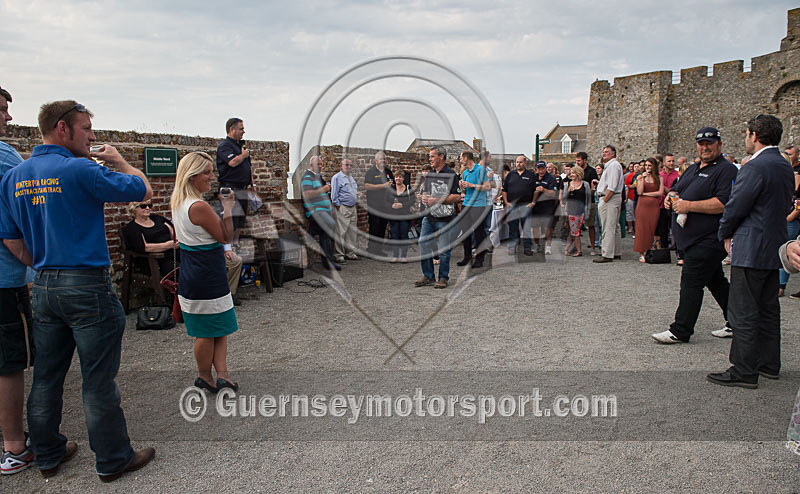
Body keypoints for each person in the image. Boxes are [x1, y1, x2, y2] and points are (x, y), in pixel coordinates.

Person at [0, 100, 155, 481]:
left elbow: (10, 238)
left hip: (44, 284)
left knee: (48, 376)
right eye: (85, 127)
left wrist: (42, 266)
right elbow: (142, 189)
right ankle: (113, 458)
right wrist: (118, 160)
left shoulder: (13, 176)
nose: (92, 135)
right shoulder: (81, 169)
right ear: (62, 129)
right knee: (97, 379)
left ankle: (48, 454)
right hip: (86, 283)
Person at [708, 114, 793, 388]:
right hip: (773, 244)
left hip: (751, 244)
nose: (746, 138)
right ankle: (769, 363)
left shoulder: (755, 166)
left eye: (747, 133)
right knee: (768, 307)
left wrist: (724, 232)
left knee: (743, 309)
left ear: (754, 135)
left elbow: (736, 205)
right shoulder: (783, 164)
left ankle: (744, 369)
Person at [652, 127, 738, 344]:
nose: (705, 147)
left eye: (709, 143)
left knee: (691, 282)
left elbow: (723, 202)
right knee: (716, 281)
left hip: (709, 238)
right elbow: (676, 188)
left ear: (719, 144)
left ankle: (681, 330)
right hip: (690, 239)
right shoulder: (693, 168)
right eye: (701, 144)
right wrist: (672, 197)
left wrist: (688, 205)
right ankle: (737, 323)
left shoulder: (726, 170)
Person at [171, 152, 239, 395]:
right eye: (207, 172)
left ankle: (222, 375)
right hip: (206, 273)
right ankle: (205, 375)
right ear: (192, 176)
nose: (212, 177)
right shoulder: (198, 206)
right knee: (206, 331)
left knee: (219, 326)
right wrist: (228, 209)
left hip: (196, 270)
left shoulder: (178, 203)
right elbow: (225, 237)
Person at [0, 85, 36, 475]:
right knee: (9, 362)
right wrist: (38, 262)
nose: (8, 117)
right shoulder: (5, 158)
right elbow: (15, 224)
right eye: (1, 110)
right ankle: (15, 446)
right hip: (4, 280)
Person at [416, 147, 460, 289]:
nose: (430, 159)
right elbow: (426, 192)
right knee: (423, 243)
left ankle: (443, 278)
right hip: (429, 217)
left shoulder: (451, 174)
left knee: (444, 250)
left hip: (445, 218)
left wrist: (437, 200)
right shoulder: (429, 175)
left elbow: (457, 196)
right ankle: (428, 276)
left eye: (432, 156)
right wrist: (424, 197)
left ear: (441, 157)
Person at [216, 118, 254, 249]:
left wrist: (252, 184)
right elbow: (232, 162)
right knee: (231, 218)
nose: (244, 131)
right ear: (232, 129)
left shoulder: (240, 146)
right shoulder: (224, 146)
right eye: (241, 128)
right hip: (230, 188)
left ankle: (236, 243)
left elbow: (248, 166)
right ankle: (229, 247)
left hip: (243, 188)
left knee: (240, 219)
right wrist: (243, 155)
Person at [302, 156, 339, 271]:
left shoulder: (317, 177)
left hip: (324, 211)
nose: (320, 166)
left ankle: (328, 263)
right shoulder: (307, 177)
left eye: (321, 164)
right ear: (311, 165)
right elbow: (307, 195)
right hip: (316, 211)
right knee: (330, 226)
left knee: (325, 234)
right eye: (318, 164)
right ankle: (311, 233)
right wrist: (324, 189)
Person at [121, 202, 178, 275]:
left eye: (149, 205)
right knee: (180, 269)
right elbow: (145, 247)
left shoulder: (157, 218)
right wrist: (168, 245)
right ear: (134, 209)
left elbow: (173, 231)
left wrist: (177, 241)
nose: (147, 208)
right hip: (155, 260)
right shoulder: (132, 228)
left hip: (174, 253)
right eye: (143, 206)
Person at [456, 151, 491, 268]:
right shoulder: (465, 172)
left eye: (461, 158)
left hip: (478, 205)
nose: (460, 160)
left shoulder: (480, 170)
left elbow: (487, 187)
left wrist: (472, 185)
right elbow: (464, 192)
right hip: (466, 204)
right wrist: (462, 187)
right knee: (465, 232)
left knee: (478, 232)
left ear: (466, 158)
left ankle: (480, 259)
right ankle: (467, 256)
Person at [593, 145, 624, 263]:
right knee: (614, 226)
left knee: (608, 226)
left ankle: (607, 253)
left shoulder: (613, 166)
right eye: (603, 151)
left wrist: (605, 200)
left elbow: (612, 186)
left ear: (613, 154)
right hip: (611, 197)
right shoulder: (611, 166)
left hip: (610, 198)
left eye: (607, 152)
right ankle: (615, 251)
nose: (604, 153)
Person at [503, 155, 536, 255]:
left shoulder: (530, 175)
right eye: (517, 162)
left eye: (521, 162)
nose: (518, 164)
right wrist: (506, 202)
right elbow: (504, 190)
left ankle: (527, 248)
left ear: (525, 163)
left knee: (526, 228)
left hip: (525, 205)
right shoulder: (510, 175)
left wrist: (533, 202)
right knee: (513, 228)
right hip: (512, 206)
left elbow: (535, 190)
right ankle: (512, 248)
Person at [634, 158, 665, 262]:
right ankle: (641, 252)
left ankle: (649, 249)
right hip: (642, 206)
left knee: (651, 228)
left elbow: (660, 192)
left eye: (650, 165)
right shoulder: (640, 177)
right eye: (646, 165)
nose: (647, 167)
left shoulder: (659, 178)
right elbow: (639, 192)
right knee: (641, 228)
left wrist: (647, 194)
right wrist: (642, 179)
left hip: (653, 207)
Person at [364, 151, 395, 255]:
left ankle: (379, 250)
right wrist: (383, 185)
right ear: (376, 160)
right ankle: (371, 250)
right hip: (374, 205)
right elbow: (367, 186)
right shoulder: (371, 172)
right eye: (381, 159)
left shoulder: (388, 171)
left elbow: (393, 185)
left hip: (385, 205)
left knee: (382, 227)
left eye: (384, 159)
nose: (383, 161)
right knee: (374, 227)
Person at [330, 158, 360, 264]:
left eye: (350, 165)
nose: (349, 167)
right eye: (346, 165)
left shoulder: (351, 178)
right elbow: (334, 195)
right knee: (340, 232)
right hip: (343, 207)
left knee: (351, 232)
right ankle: (339, 255)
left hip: (352, 207)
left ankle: (350, 253)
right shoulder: (337, 178)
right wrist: (338, 206)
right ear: (341, 166)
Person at [387, 168, 416, 262]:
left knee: (404, 235)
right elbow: (385, 201)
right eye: (396, 177)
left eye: (400, 177)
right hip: (393, 215)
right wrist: (391, 205)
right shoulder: (391, 189)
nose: (397, 179)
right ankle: (395, 255)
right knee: (394, 235)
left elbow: (412, 200)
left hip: (405, 215)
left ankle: (404, 256)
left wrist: (402, 205)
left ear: (403, 178)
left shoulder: (408, 188)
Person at [561, 165, 591, 256]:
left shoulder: (585, 184)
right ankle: (578, 250)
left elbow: (588, 199)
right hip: (571, 211)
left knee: (574, 231)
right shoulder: (568, 184)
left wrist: (587, 211)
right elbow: (564, 199)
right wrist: (568, 191)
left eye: (573, 173)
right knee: (575, 231)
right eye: (571, 173)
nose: (572, 174)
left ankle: (569, 248)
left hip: (581, 211)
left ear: (578, 173)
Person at [529, 161, 558, 254]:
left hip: (547, 206)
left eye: (542, 168)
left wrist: (544, 189)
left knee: (547, 227)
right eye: (539, 169)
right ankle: (537, 245)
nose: (541, 171)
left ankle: (548, 247)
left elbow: (554, 193)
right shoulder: (533, 177)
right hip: (536, 207)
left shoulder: (551, 178)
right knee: (535, 228)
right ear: (536, 169)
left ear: (546, 168)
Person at [576, 152, 599, 252]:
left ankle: (593, 246)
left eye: (579, 160)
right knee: (575, 226)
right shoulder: (575, 170)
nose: (577, 162)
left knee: (591, 225)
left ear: (585, 160)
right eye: (576, 160)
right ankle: (576, 247)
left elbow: (594, 186)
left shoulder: (592, 171)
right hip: (577, 201)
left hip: (590, 201)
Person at [657, 153, 680, 248]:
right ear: (664, 163)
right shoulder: (659, 175)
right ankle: (664, 248)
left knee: (674, 228)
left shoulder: (677, 175)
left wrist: (665, 188)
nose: (671, 163)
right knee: (662, 229)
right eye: (669, 161)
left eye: (673, 161)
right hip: (661, 205)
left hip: (673, 205)